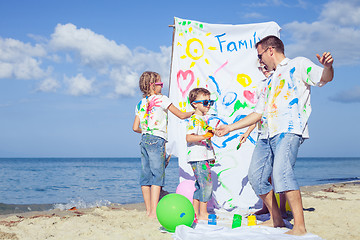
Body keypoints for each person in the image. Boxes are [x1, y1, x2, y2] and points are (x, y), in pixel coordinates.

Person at [216, 35, 334, 235]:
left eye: (260, 55)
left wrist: (328, 67)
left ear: (271, 50)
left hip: (288, 131)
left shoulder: (297, 65)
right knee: (256, 176)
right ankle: (276, 219)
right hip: (265, 134)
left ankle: (299, 227)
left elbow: (324, 77)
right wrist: (230, 128)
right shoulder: (267, 81)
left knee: (282, 174)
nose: (260, 61)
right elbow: (257, 113)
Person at [132, 71, 194, 219]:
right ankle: (154, 212)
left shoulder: (140, 103)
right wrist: (194, 112)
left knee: (145, 177)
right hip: (157, 140)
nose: (162, 85)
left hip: (144, 139)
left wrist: (147, 130)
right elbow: (181, 115)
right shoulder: (162, 99)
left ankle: (148, 211)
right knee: (157, 177)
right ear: (153, 85)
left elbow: (135, 128)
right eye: (160, 83)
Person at [186, 88, 216, 220]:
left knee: (200, 185)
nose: (208, 104)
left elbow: (205, 141)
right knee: (206, 185)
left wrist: (211, 156)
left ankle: (196, 213)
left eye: (210, 102)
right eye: (205, 102)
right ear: (195, 104)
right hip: (198, 157)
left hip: (203, 157)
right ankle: (203, 213)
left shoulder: (202, 119)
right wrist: (204, 135)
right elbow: (189, 138)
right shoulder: (195, 120)